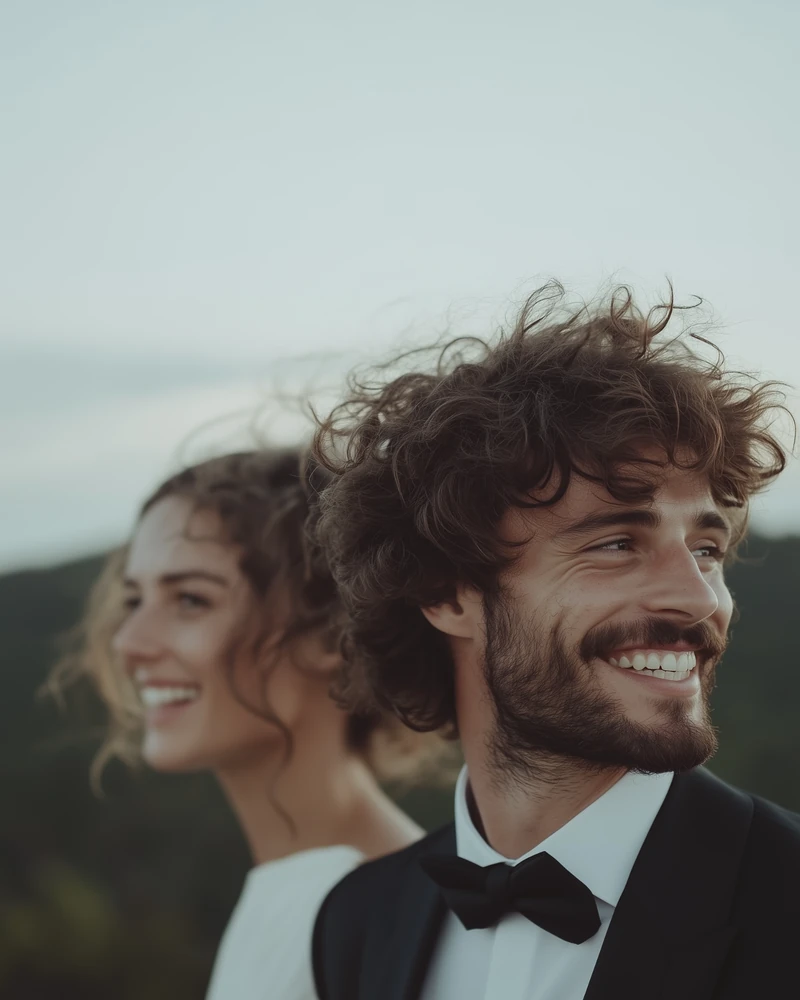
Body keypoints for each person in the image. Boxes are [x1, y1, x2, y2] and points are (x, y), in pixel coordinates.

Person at [309, 283, 800, 1000]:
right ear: (447, 594)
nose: (700, 601)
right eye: (615, 544)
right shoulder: (356, 923)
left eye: (705, 550)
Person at [49, 448, 430, 1000]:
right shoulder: (300, 890)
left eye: (189, 600)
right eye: (134, 599)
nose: (129, 642)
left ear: (332, 633)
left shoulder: (370, 915)